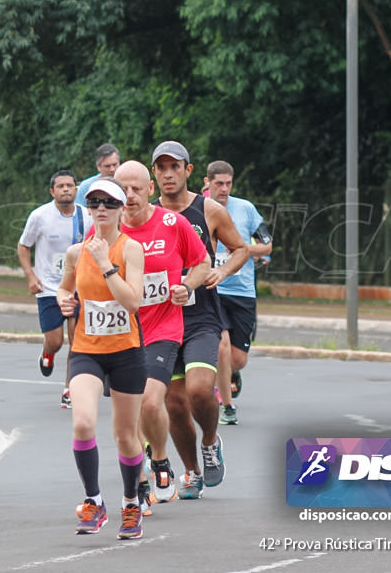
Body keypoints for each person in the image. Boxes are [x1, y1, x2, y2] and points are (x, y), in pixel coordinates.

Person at [113, 160, 209, 513]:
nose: (130, 196)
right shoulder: (104, 230)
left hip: (163, 327)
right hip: (121, 331)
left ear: (151, 189)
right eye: (123, 189)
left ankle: (161, 459)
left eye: (137, 188)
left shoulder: (173, 223)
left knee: (152, 401)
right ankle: (138, 485)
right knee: (129, 412)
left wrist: (186, 284)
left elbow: (202, 262)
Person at [153, 141, 248, 498]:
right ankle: (191, 472)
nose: (167, 173)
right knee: (175, 404)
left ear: (188, 171)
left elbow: (241, 248)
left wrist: (222, 271)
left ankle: (210, 441)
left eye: (174, 166)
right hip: (162, 320)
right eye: (161, 168)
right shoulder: (148, 216)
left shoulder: (207, 209)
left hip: (202, 317)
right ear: (154, 175)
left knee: (198, 391)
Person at [55, 177, 146, 539]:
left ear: (122, 209)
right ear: (88, 210)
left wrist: (106, 263)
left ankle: (130, 504)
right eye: (94, 204)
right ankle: (93, 501)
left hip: (126, 352)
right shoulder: (76, 253)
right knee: (82, 424)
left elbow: (133, 302)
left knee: (125, 436)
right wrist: (64, 299)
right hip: (86, 351)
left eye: (109, 203)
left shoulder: (130, 249)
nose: (102, 210)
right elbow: (64, 288)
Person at [204, 160, 273, 425]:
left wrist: (242, 248)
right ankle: (227, 406)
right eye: (218, 183)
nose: (224, 189)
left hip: (243, 291)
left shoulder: (245, 209)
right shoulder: (200, 208)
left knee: (237, 359)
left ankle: (230, 375)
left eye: (228, 183)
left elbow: (267, 245)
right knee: (220, 347)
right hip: (213, 288)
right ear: (207, 182)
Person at [17, 169, 86, 407]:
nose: (66, 189)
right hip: (49, 288)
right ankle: (47, 353)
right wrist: (30, 276)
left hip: (79, 288)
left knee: (78, 342)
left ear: (76, 189)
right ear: (52, 191)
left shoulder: (86, 216)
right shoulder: (40, 216)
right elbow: (23, 246)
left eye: (70, 185)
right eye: (60, 186)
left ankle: (69, 389)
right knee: (56, 341)